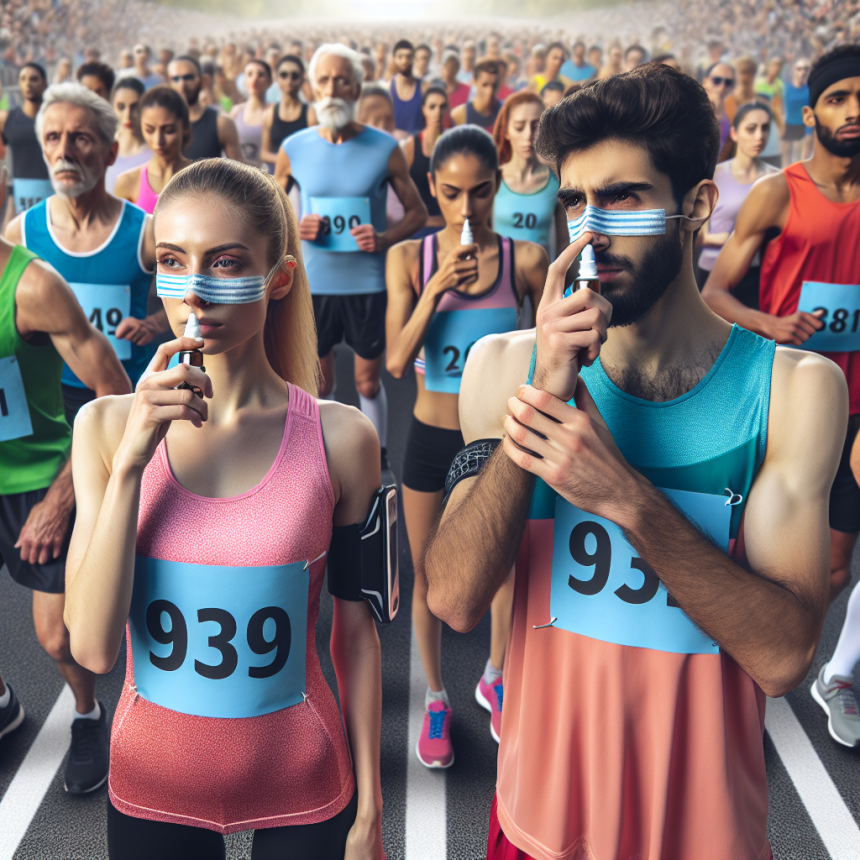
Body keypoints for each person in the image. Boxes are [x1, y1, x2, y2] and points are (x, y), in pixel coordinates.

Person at [424, 63, 845, 860]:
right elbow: (453, 597)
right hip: (534, 827)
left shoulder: (792, 391)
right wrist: (548, 384)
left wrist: (626, 498)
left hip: (704, 837)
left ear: (695, 205)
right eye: (575, 202)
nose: (589, 231)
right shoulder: (500, 367)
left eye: (621, 199)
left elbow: (785, 656)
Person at [64, 158, 385, 859]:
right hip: (153, 779)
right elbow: (90, 646)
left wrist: (370, 810)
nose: (195, 290)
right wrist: (131, 466)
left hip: (302, 775)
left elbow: (356, 635)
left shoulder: (343, 438)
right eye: (174, 262)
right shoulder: (105, 429)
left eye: (226, 262)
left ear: (279, 280)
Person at [702, 45, 860, 746]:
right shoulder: (778, 192)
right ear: (815, 111)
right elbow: (714, 292)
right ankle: (732, 677)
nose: (853, 111)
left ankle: (836, 672)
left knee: (832, 562)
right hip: (785, 398)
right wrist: (772, 323)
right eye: (837, 99)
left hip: (856, 401)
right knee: (753, 551)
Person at [386, 126, 546, 764]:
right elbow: (397, 359)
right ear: (433, 189)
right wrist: (434, 290)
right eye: (451, 193)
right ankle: (435, 698)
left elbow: (544, 356)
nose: (467, 208)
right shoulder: (410, 260)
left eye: (481, 192)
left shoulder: (525, 261)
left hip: (496, 439)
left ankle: (496, 676)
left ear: (498, 187)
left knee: (504, 567)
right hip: (430, 434)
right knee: (429, 575)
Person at [0, 182, 131, 790]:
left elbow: (113, 391)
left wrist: (60, 498)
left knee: (58, 637)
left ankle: (87, 712)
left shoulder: (33, 287)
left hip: (39, 484)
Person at [275, 44, 427, 465]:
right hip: (314, 285)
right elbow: (269, 212)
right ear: (311, 88)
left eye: (342, 80)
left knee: (367, 381)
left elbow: (416, 213)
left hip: (367, 285)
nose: (332, 89)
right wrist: (294, 225)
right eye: (323, 80)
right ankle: (321, 461)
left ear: (357, 87)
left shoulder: (384, 148)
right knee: (319, 384)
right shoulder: (294, 147)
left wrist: (383, 237)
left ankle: (376, 461)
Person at [7, 83, 165, 424]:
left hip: (129, 397)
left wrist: (153, 324)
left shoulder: (147, 231)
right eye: (52, 137)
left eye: (80, 138)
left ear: (110, 153)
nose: (64, 151)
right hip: (50, 405)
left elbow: (195, 298)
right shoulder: (20, 233)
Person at [697, 103, 778, 302]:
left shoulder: (778, 179)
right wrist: (717, 239)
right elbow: (695, 233)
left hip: (756, 275)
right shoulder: (714, 176)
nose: (759, 136)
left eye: (765, 128)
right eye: (751, 129)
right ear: (734, 133)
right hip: (712, 272)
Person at [493, 91, 567, 259]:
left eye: (535, 127)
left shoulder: (556, 181)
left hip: (541, 280)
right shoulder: (493, 179)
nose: (527, 135)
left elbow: (564, 244)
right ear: (506, 132)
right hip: (500, 277)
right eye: (519, 127)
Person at [114, 86, 192, 215]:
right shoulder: (128, 181)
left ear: (184, 126)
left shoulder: (202, 178)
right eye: (149, 130)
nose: (158, 141)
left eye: (168, 130)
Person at [167, 56, 244, 162]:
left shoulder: (221, 124)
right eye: (175, 79)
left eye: (188, 78)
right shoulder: (157, 123)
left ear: (202, 80)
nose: (182, 84)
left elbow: (240, 169)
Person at [0, 64, 52, 216]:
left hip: (52, 195)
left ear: (44, 82)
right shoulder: (6, 119)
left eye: (33, 79)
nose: (28, 84)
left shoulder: (54, 119)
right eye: (23, 79)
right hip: (16, 197)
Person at [401, 87, 449, 237]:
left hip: (448, 225)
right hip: (419, 227)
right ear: (424, 110)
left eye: (442, 106)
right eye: (432, 106)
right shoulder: (410, 146)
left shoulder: (455, 144)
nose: (437, 112)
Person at [262, 55, 317, 175]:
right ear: (277, 78)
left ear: (303, 78)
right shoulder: (270, 113)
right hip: (276, 176)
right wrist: (286, 161)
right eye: (284, 75)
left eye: (295, 76)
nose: (289, 80)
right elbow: (263, 153)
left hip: (303, 174)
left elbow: (316, 150)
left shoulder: (310, 113)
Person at [104, 78, 152, 195]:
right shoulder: (103, 147)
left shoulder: (155, 149)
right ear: (112, 106)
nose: (128, 114)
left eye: (134, 106)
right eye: (121, 106)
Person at [230, 59, 273, 169]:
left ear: (269, 82)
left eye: (260, 75)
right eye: (250, 74)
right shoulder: (236, 112)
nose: (255, 79)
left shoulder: (275, 111)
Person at [452, 60, 502, 132]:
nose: (490, 91)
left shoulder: (504, 113)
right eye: (485, 85)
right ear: (474, 82)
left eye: (494, 86)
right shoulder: (459, 115)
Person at [389, 40, 427, 135]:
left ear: (414, 59)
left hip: (417, 146)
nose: (404, 61)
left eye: (408, 57)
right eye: (400, 57)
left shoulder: (423, 88)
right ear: (394, 59)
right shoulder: (387, 88)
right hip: (394, 146)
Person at [702, 62, 736, 162]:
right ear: (705, 80)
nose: (722, 86)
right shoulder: (692, 103)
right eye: (717, 80)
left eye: (728, 82)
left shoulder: (734, 109)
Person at [782, 58, 812, 166]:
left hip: (805, 124)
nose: (802, 72)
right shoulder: (785, 88)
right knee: (786, 156)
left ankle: (802, 173)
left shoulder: (811, 87)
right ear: (793, 71)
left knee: (802, 156)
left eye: (805, 69)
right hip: (789, 123)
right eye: (799, 69)